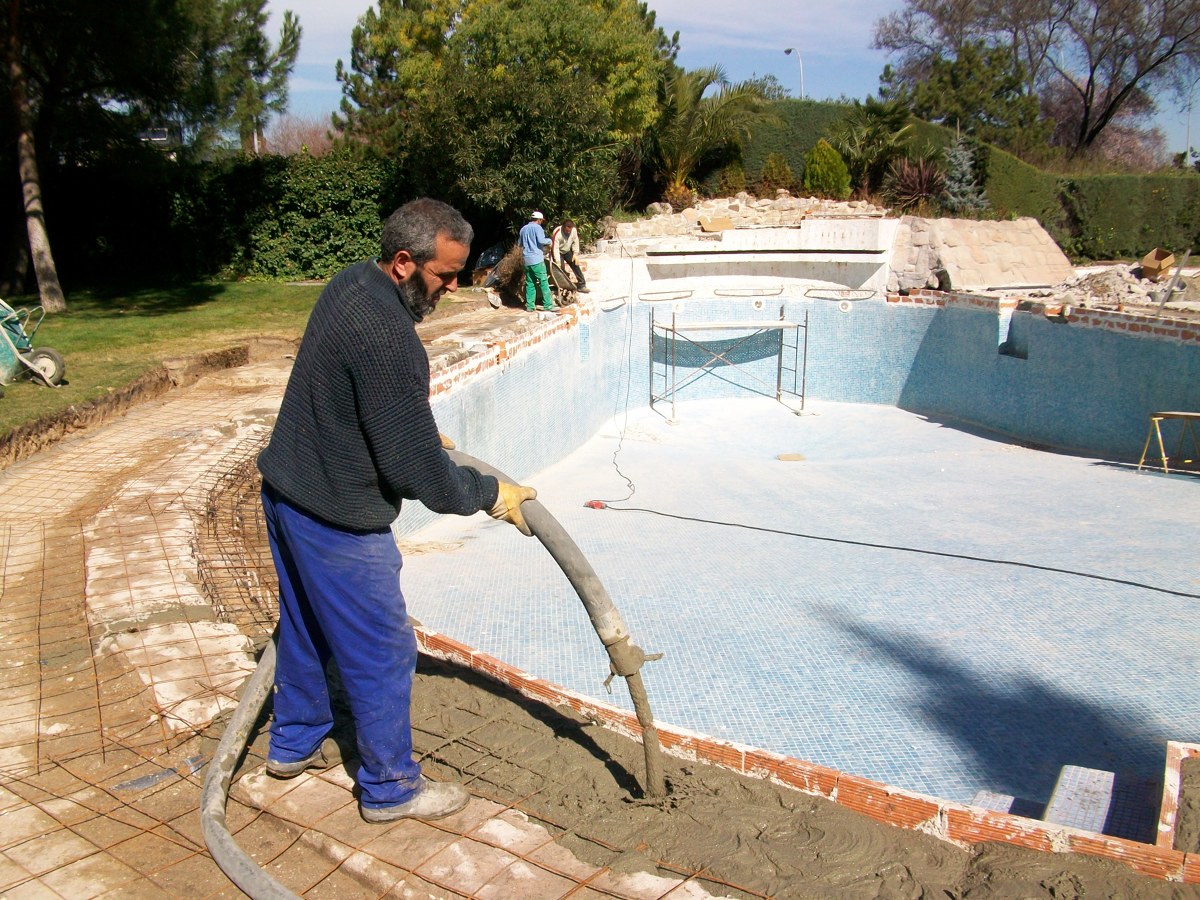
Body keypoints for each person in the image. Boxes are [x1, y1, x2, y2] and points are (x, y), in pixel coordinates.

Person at [256, 198, 537, 824]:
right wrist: (489, 494)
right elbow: (420, 480)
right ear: (406, 262)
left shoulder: (349, 283)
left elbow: (344, 389)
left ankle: (292, 745)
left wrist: (404, 426)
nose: (455, 286)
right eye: (445, 274)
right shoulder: (391, 339)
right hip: (337, 519)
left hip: (287, 494)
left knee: (302, 629)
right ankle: (389, 789)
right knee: (384, 649)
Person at [519, 210, 555, 312]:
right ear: (539, 220)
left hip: (527, 260)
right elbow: (541, 241)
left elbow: (520, 244)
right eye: (541, 220)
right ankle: (548, 305)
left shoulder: (523, 229)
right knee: (543, 282)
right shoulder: (538, 228)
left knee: (530, 283)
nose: (541, 222)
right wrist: (550, 241)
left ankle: (530, 306)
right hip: (537, 259)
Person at [551, 219, 589, 292]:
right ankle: (564, 285)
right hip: (558, 251)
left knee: (575, 264)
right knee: (560, 268)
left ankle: (582, 285)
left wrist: (575, 254)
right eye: (567, 231)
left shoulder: (573, 230)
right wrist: (557, 261)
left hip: (567, 250)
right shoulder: (557, 233)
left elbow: (576, 241)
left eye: (570, 231)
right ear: (563, 227)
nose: (568, 232)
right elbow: (554, 248)